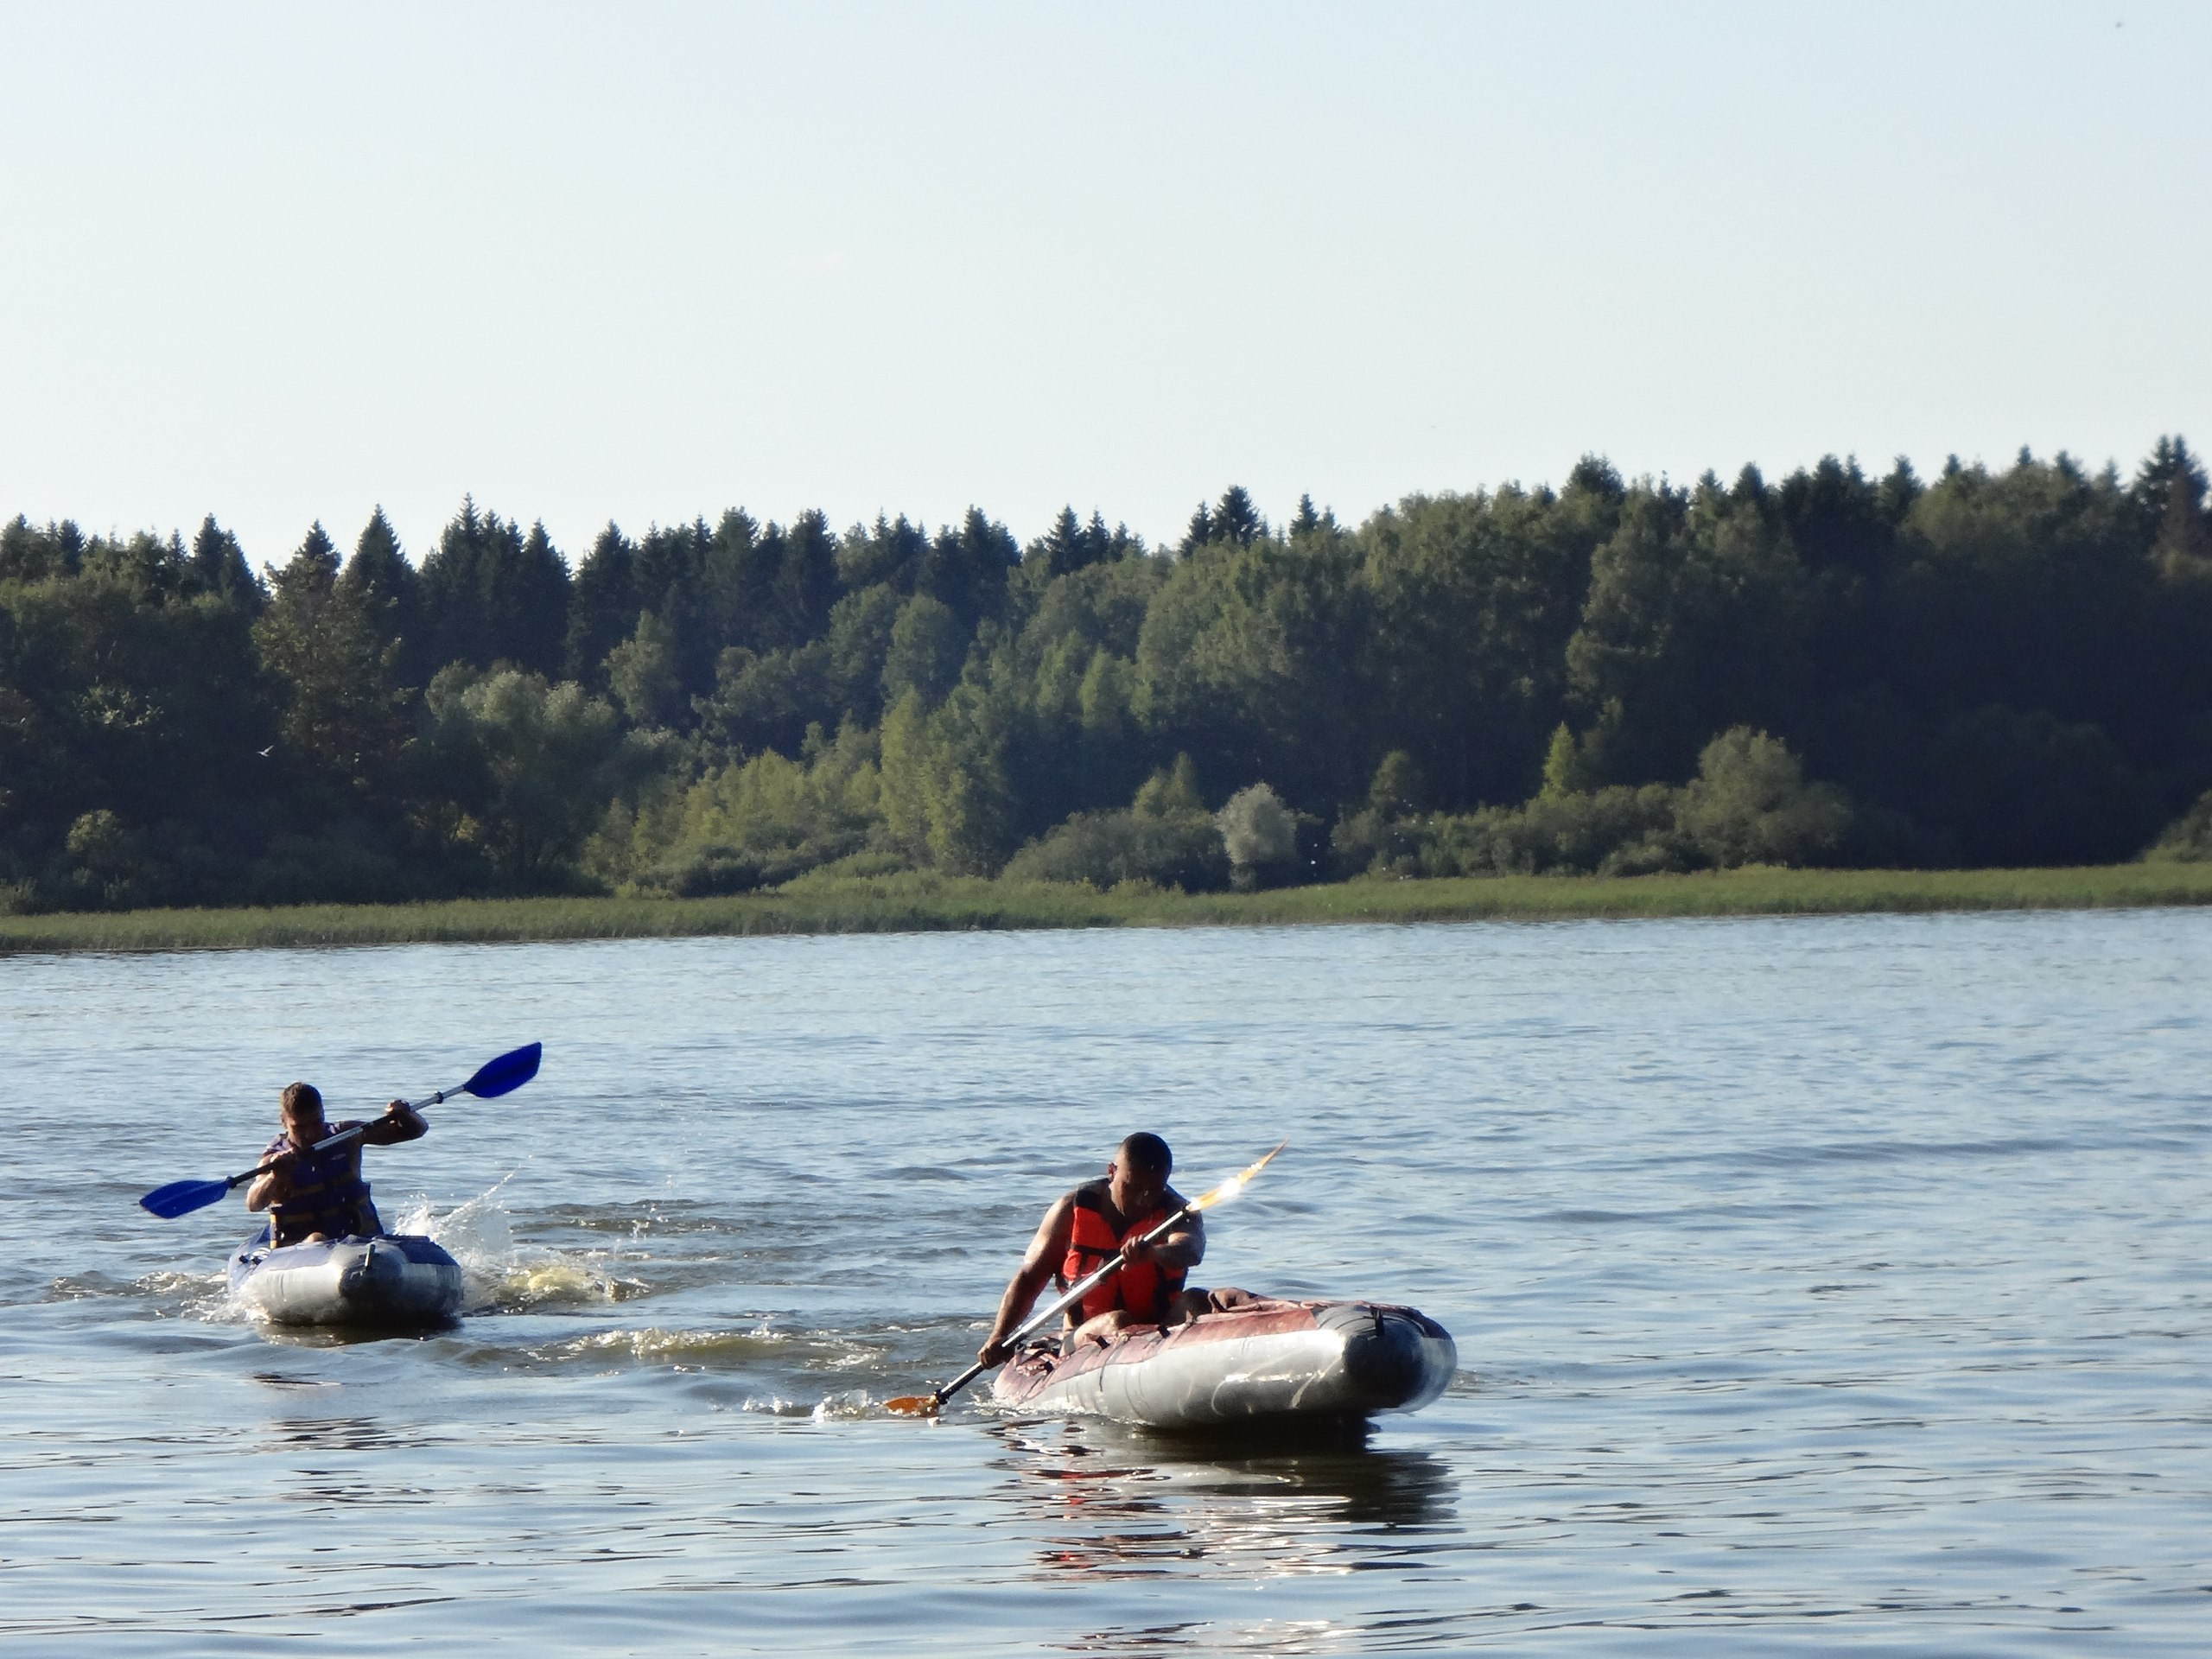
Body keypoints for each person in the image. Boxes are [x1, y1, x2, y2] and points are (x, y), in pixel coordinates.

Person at [976, 1132, 1211, 1369]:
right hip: (1084, 1332)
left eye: (1154, 1189)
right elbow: (1029, 1279)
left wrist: (1154, 1253)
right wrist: (999, 1334)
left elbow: (1191, 1249)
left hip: (1162, 1324)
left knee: (1198, 1299)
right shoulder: (1070, 1211)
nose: (1142, 1199)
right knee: (1118, 1320)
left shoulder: (1178, 1211)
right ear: (1112, 1171)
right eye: (1132, 1188)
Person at [245, 1082, 428, 1247]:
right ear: (283, 1121)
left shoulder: (347, 1136)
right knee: (317, 1239)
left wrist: (405, 1116)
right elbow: (253, 1204)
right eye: (299, 1127)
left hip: (360, 1242)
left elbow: (415, 1131)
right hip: (299, 1252)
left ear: (323, 1113)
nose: (309, 1134)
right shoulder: (274, 1160)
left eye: (316, 1123)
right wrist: (273, 1178)